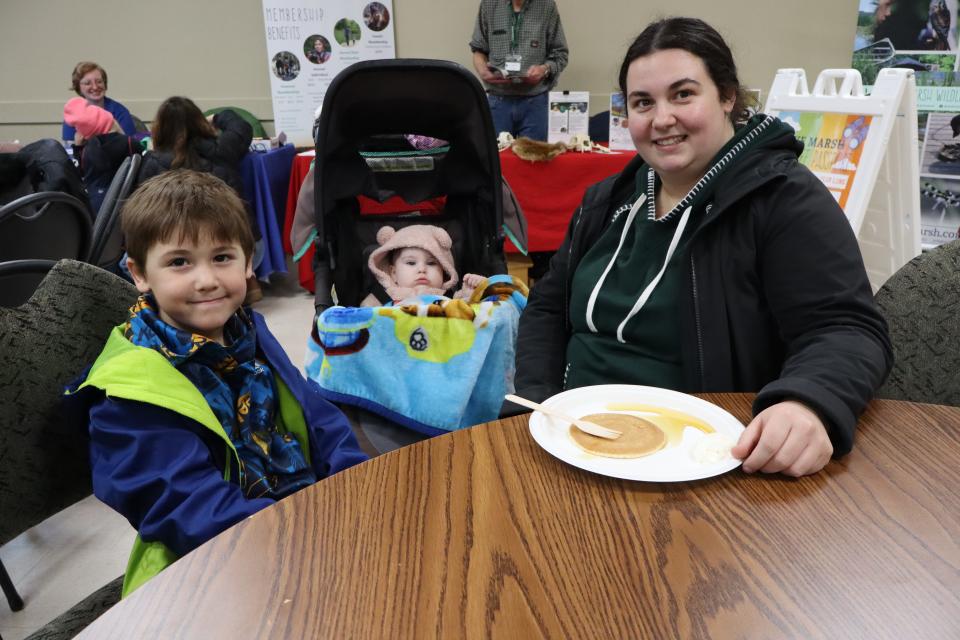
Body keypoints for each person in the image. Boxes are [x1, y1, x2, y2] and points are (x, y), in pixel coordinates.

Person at [511, 17, 893, 477]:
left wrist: (808, 402)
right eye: (642, 103)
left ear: (728, 96)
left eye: (683, 94)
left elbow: (847, 328)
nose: (662, 118)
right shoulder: (608, 199)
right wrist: (535, 408)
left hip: (698, 463)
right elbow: (548, 308)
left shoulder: (784, 199)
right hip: (567, 442)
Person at [65, 169, 367, 596]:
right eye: (179, 262)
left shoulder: (248, 329)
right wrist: (304, 534)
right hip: (207, 567)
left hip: (303, 525)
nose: (206, 279)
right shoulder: (126, 388)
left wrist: (356, 485)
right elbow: (187, 507)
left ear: (248, 262)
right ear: (139, 274)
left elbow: (314, 414)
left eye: (222, 257)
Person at [469, 0, 568, 141]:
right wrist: (482, 70)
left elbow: (560, 54)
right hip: (498, 101)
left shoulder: (546, 5)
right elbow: (478, 49)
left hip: (535, 102)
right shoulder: (489, 4)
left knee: (533, 159)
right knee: (498, 160)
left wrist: (544, 69)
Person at [362, 225, 484, 306]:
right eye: (411, 263)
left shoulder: (448, 297)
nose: (422, 269)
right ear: (393, 273)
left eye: (431, 263)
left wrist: (472, 292)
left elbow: (468, 314)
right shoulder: (384, 296)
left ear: (444, 270)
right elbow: (362, 315)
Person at [63, 61, 136, 144]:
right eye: (87, 83)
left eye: (99, 81)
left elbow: (131, 146)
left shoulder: (120, 111)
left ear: (105, 83)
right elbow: (69, 150)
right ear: (78, 87)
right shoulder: (73, 113)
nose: (95, 87)